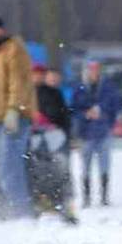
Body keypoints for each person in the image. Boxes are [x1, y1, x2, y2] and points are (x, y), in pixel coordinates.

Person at [0, 19, 38, 218]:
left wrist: (14, 109)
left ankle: (21, 215)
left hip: (10, 118)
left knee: (9, 170)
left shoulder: (13, 49)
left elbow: (19, 82)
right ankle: (1, 213)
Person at [70, 60, 120, 207]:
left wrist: (102, 113)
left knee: (104, 165)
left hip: (103, 131)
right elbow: (73, 109)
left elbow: (115, 106)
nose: (94, 72)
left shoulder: (108, 87)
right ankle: (86, 197)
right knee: (85, 166)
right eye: (91, 69)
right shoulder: (79, 88)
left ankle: (104, 196)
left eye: (96, 69)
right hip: (86, 133)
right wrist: (85, 114)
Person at [29, 64, 76, 222]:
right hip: (33, 141)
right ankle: (41, 204)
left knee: (60, 172)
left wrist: (49, 121)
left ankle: (65, 205)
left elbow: (63, 116)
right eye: (35, 74)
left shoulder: (54, 93)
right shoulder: (26, 93)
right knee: (36, 174)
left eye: (41, 74)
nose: (38, 77)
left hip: (55, 139)